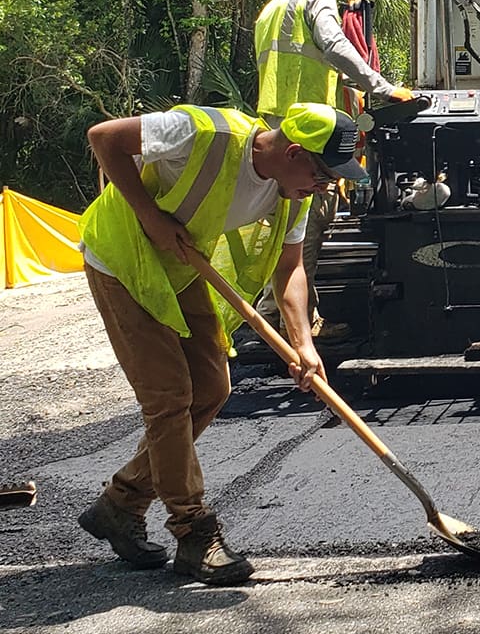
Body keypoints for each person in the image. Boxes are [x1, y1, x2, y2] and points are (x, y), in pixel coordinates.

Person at [76, 102, 363, 584]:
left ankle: (120, 504)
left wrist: (303, 344)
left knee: (211, 390)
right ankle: (194, 533)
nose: (324, 186)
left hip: (180, 267)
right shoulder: (201, 132)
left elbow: (289, 268)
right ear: (294, 153)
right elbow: (103, 135)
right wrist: (149, 216)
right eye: (322, 174)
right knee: (169, 398)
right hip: (122, 261)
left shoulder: (294, 192)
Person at [253, 0, 413, 341]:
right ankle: (298, 326)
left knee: (285, 222)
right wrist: (383, 87)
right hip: (311, 130)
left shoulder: (269, 11)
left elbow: (309, 61)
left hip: (276, 127)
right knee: (309, 221)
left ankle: (274, 310)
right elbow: (333, 43)